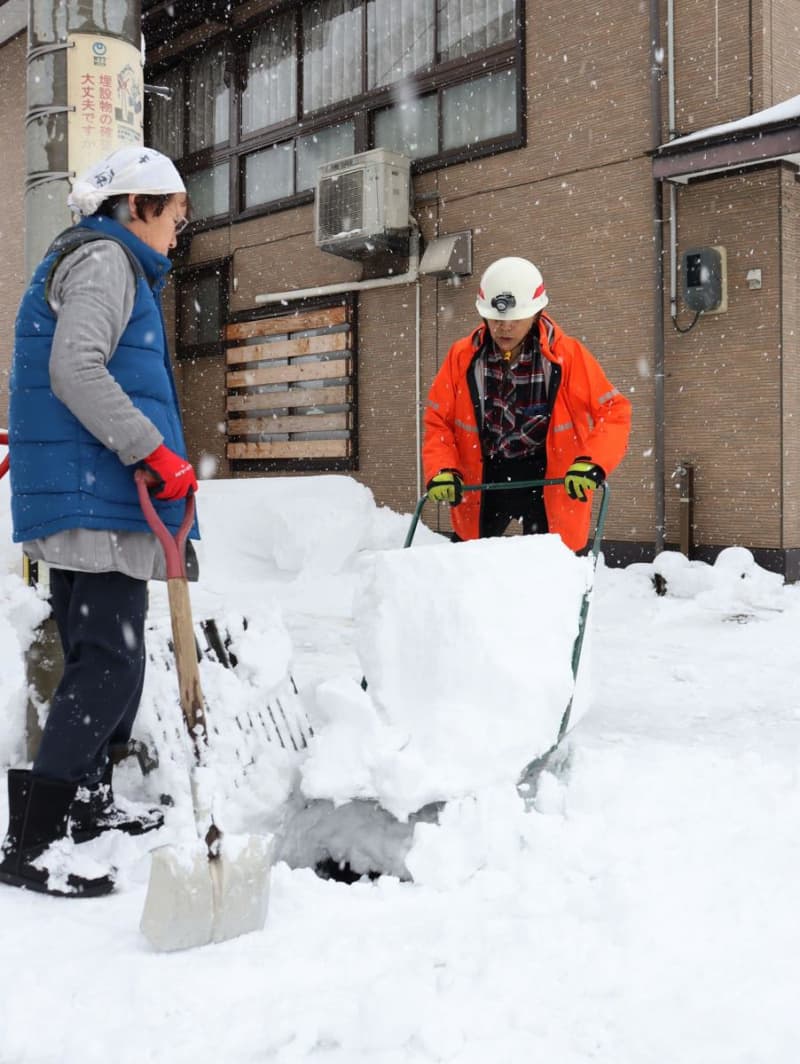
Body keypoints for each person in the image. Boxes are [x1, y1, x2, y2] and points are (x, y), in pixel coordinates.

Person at [0, 146, 199, 897]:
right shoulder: (106, 263)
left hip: (98, 491)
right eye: (175, 218)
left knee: (110, 650)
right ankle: (36, 842)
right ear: (140, 206)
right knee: (108, 660)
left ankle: (87, 806)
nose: (179, 234)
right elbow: (76, 368)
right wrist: (154, 452)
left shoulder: (101, 260)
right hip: (99, 492)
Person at [422, 256, 632, 550]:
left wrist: (590, 463)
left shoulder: (566, 357)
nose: (503, 328)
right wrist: (442, 469)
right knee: (470, 570)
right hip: (486, 475)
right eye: (496, 319)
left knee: (552, 572)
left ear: (535, 313)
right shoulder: (462, 357)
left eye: (514, 320)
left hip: (547, 477)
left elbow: (614, 411)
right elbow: (438, 421)